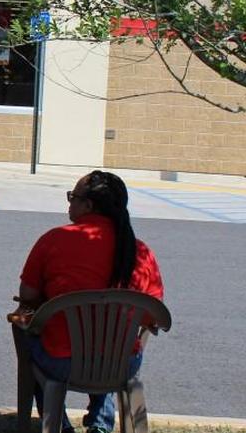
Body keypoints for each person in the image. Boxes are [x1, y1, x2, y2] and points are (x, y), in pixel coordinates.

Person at [16, 170, 164, 433]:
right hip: (121, 364)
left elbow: (27, 295)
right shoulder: (139, 250)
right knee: (107, 341)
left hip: (62, 362)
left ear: (88, 205)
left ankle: (58, 426)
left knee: (29, 338)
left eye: (73, 197)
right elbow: (154, 315)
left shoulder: (54, 239)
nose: (69, 203)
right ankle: (100, 425)